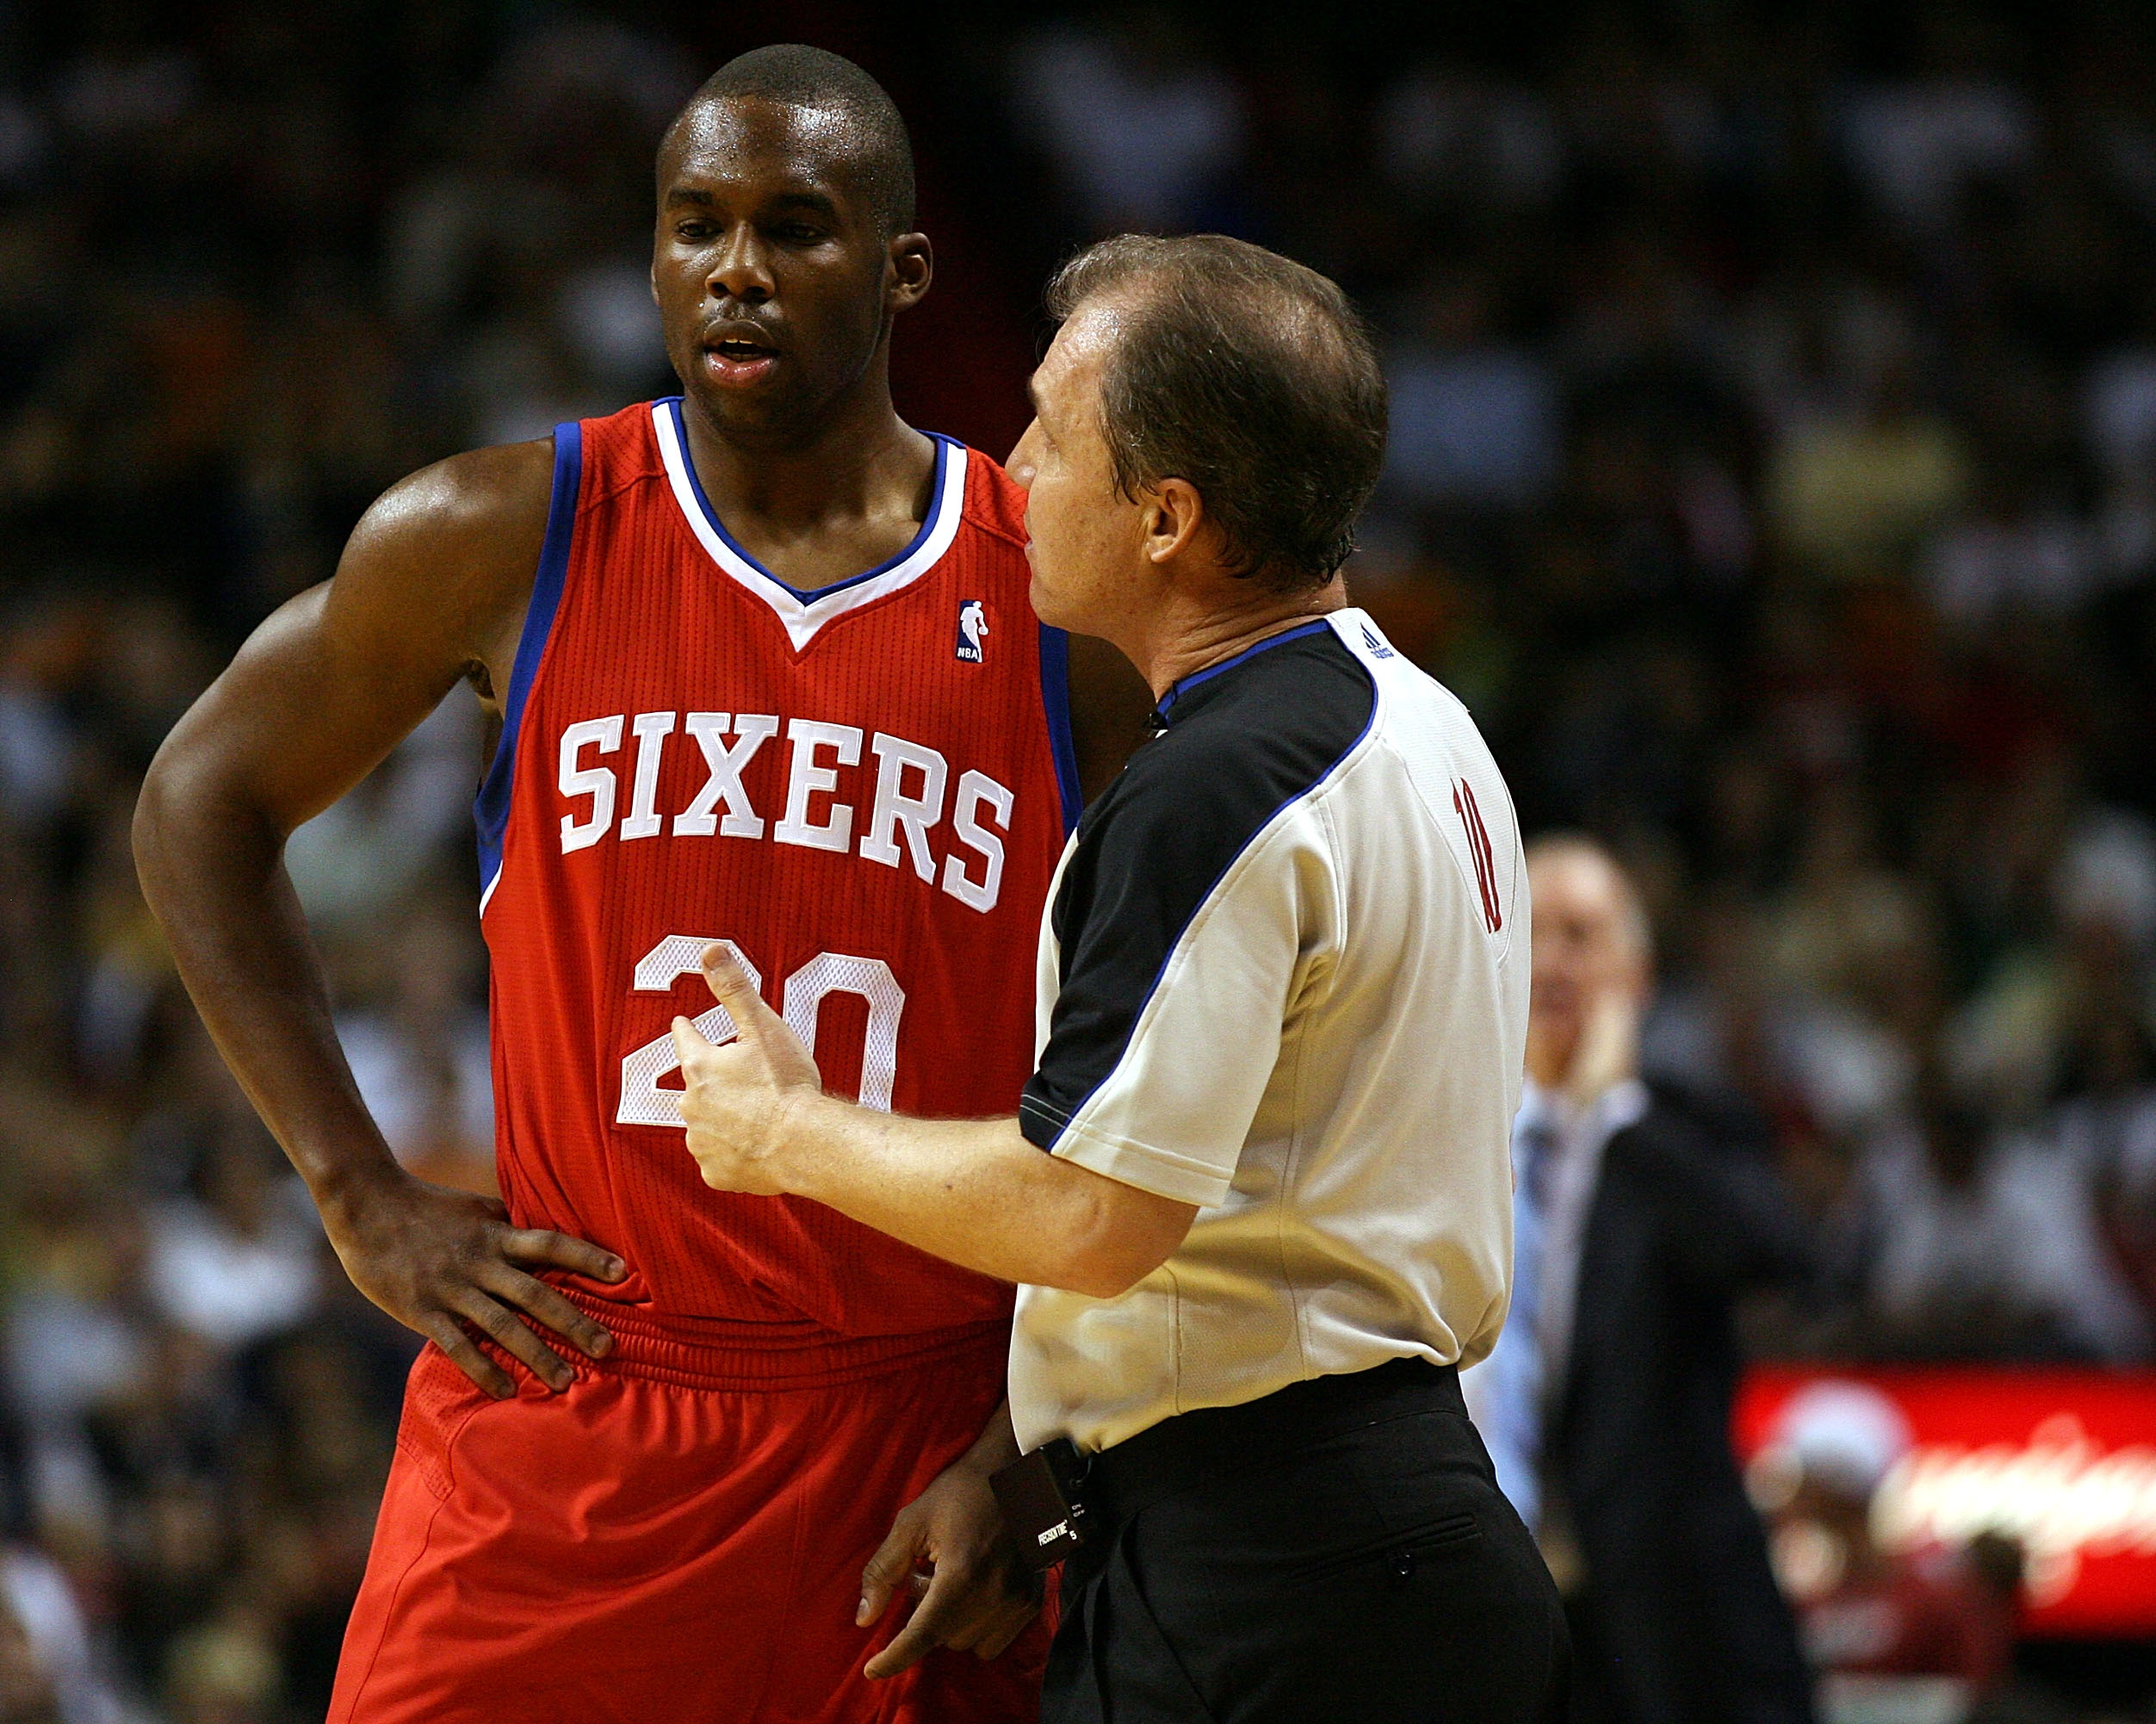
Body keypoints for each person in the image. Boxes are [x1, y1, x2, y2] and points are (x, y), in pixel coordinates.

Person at [133, 43, 1143, 1724]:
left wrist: (1032, 1475)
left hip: (915, 1455)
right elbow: (201, 796)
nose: (737, 268)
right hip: (573, 1400)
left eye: (796, 227)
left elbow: (1187, 1078)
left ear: (905, 267)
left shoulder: (1061, 602)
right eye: (696, 225)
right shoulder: (501, 530)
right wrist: (356, 1189)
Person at [674, 233, 1567, 1722]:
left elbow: (1096, 1211)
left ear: (1167, 518)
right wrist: (1030, 1470)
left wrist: (787, 1134)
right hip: (1381, 1541)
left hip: (1279, 1585)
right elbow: (1265, 1205)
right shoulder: (1422, 719)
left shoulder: (1216, 786)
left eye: (1050, 432)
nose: (1012, 467)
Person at [1463, 836, 1816, 1724]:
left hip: (1668, 1615)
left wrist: (1613, 1112)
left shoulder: (1684, 1128)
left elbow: (1780, 1256)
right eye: (1531, 933)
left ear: (1638, 973)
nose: (1552, 962)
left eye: (1581, 935)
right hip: (1485, 1600)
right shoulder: (1447, 1135)